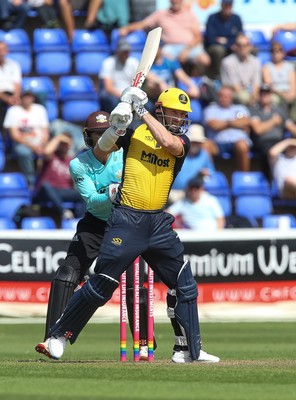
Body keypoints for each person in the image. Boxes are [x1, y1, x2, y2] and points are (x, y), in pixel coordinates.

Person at [35, 87, 220, 363]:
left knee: (184, 283)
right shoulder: (134, 134)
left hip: (158, 222)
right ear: (161, 109)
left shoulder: (182, 140)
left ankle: (188, 349)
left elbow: (169, 145)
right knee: (103, 283)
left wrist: (141, 111)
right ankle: (58, 336)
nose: (181, 118)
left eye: (184, 114)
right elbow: (101, 150)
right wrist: (117, 126)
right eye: (176, 112)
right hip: (127, 219)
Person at [35, 110, 153, 361]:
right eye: (96, 135)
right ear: (88, 137)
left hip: (127, 224)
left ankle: (143, 344)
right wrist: (114, 191)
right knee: (66, 274)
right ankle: (52, 339)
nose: (101, 140)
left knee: (134, 284)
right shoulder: (79, 164)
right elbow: (92, 202)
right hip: (96, 224)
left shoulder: (126, 154)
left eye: (105, 134)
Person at [119, 0, 210, 75]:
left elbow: (198, 37)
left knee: (205, 60)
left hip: (189, 47)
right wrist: (127, 28)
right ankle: (171, 84)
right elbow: (143, 24)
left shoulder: (190, 15)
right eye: (173, 1)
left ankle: (195, 84)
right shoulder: (161, 14)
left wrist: (186, 50)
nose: (175, 2)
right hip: (170, 47)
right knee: (164, 59)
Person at [32, 133, 86, 225]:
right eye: (62, 143)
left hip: (62, 192)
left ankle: (80, 220)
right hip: (45, 191)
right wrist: (59, 138)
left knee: (85, 193)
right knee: (45, 185)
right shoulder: (51, 156)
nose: (64, 145)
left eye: (66, 143)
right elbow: (46, 152)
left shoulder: (71, 161)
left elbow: (74, 184)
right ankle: (64, 212)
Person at [3, 90, 50, 187]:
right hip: (22, 143)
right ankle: (31, 182)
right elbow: (14, 136)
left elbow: (45, 131)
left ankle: (49, 181)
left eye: (30, 97)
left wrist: (42, 145)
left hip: (39, 142)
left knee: (51, 151)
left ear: (33, 98)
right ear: (21, 98)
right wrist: (33, 147)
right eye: (25, 97)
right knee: (23, 152)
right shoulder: (13, 111)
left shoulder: (40, 109)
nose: (27, 99)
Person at [203, 85, 251, 171]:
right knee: (205, 145)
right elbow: (214, 125)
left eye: (227, 96)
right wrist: (233, 123)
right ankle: (210, 176)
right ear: (218, 96)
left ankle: (244, 177)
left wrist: (223, 123)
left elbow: (246, 122)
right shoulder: (211, 109)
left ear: (231, 97)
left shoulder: (240, 108)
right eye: (222, 96)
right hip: (217, 143)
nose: (224, 98)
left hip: (237, 142)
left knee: (243, 145)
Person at [169, 124, 217, 203]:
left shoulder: (204, 155)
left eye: (198, 142)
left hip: (194, 194)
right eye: (193, 142)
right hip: (175, 193)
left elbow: (212, 172)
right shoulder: (179, 152)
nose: (195, 145)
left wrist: (206, 172)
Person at [249, 84, 287, 180]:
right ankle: (269, 182)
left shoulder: (279, 110)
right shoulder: (254, 110)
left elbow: (289, 125)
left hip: (279, 141)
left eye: (267, 93)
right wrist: (273, 121)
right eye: (263, 94)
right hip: (263, 142)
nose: (265, 96)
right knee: (269, 151)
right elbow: (258, 130)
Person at [144, 40, 200, 104]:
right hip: (151, 95)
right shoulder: (145, 62)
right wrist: (160, 82)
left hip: (168, 91)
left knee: (191, 94)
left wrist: (192, 86)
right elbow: (147, 75)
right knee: (151, 84)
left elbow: (182, 75)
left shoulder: (169, 61)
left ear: (161, 48)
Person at [204, 0, 243, 80]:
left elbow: (239, 37)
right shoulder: (212, 18)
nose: (228, 7)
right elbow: (211, 39)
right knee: (219, 50)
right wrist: (230, 43)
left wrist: (226, 41)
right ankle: (218, 77)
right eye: (226, 5)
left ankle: (242, 77)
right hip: (214, 49)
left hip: (232, 47)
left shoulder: (236, 18)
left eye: (230, 5)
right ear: (221, 5)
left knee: (248, 48)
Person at [99, 38, 139, 114]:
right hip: (113, 95)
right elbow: (108, 87)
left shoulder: (134, 62)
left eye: (127, 52)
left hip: (130, 95)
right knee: (113, 102)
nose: (125, 54)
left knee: (148, 105)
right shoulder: (108, 62)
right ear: (117, 51)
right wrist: (124, 97)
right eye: (123, 51)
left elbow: (136, 84)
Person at [220, 32, 261, 105]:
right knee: (243, 97)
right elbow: (234, 85)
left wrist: (254, 95)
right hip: (233, 93)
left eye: (245, 45)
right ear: (235, 47)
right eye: (240, 45)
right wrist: (249, 98)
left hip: (249, 92)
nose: (243, 48)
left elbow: (256, 82)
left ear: (250, 46)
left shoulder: (255, 61)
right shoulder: (228, 62)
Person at [262, 41, 296, 118]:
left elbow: (293, 83)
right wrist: (282, 94)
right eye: (273, 51)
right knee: (274, 100)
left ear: (283, 52)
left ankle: (293, 121)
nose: (276, 53)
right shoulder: (267, 67)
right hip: (276, 93)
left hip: (289, 92)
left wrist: (292, 93)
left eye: (279, 50)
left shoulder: (289, 66)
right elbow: (269, 85)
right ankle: (279, 121)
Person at [0, 40, 22, 133]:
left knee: (33, 98)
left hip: (12, 94)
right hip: (1, 96)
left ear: (7, 51)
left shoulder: (14, 64)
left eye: (3, 49)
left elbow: (17, 83)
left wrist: (15, 97)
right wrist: (6, 99)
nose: (1, 52)